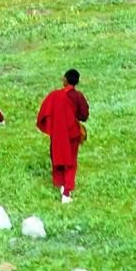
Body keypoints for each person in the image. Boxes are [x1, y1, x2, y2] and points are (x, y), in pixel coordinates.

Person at [36, 68, 89, 203]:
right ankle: (66, 193)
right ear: (77, 82)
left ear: (65, 79)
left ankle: (60, 184)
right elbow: (84, 116)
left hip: (58, 132)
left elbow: (43, 113)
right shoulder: (78, 96)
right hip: (72, 133)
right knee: (71, 162)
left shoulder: (55, 95)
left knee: (57, 157)